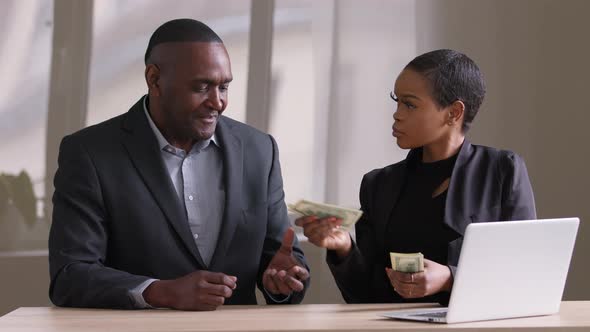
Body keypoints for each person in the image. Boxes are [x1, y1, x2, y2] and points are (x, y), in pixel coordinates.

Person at [49, 19, 309, 311]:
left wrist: (285, 279)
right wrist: (161, 292)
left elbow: (281, 259)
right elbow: (70, 276)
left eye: (224, 87)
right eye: (202, 87)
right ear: (154, 79)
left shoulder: (259, 150)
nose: (218, 102)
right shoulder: (89, 153)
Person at [296, 49, 536, 304]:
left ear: (454, 112)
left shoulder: (501, 170)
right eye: (396, 101)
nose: (397, 113)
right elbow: (363, 296)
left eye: (409, 104)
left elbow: (525, 273)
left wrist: (450, 278)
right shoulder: (377, 184)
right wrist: (343, 248)